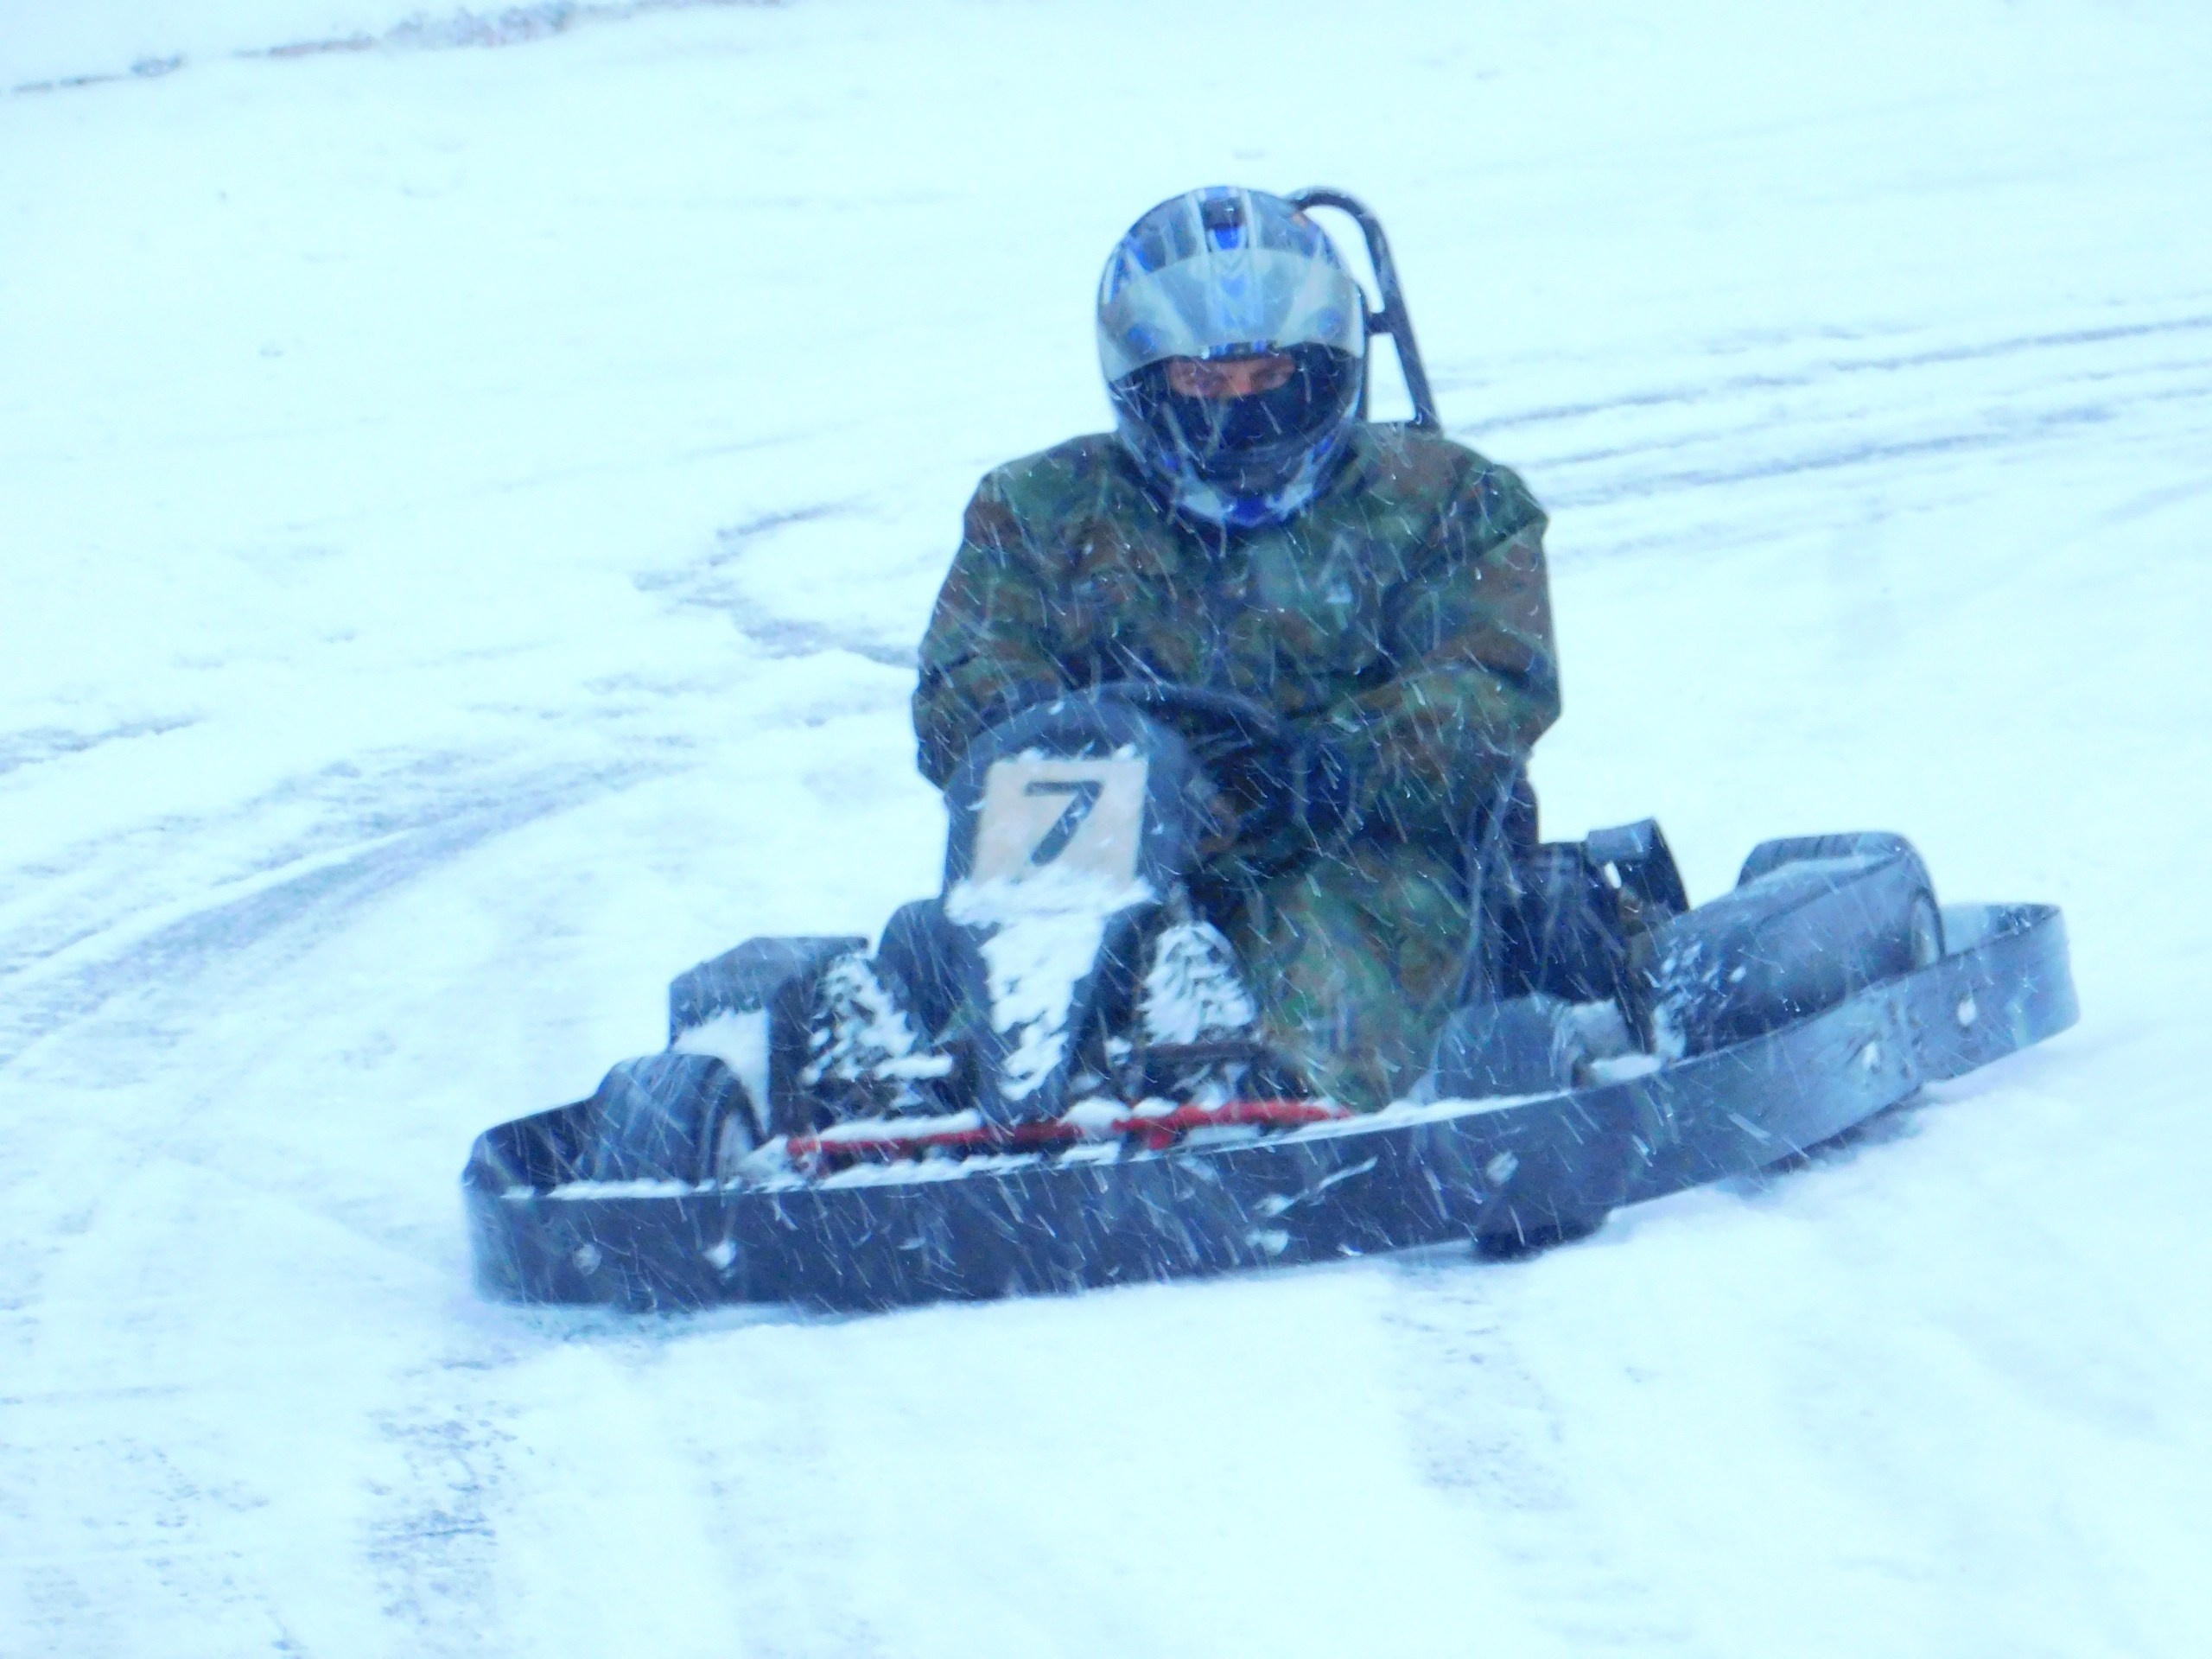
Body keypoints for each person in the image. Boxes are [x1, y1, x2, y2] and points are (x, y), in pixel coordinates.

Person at [912, 186, 1560, 1110]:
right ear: (1145, 380)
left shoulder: (1450, 501)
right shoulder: (1036, 510)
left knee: (1329, 941)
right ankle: (973, 1094)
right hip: (1089, 851)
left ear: (1326, 367)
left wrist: (1323, 770)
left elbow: (1491, 688)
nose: (1239, 411)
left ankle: (1275, 1087)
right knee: (1003, 955)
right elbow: (963, 685)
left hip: (1348, 844)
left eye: (1269, 377)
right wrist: (1086, 749)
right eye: (1203, 385)